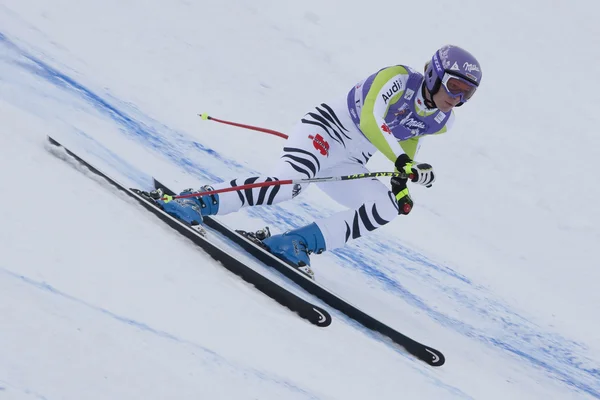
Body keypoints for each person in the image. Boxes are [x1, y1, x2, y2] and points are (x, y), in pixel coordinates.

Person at [154, 45, 482, 276]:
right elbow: (370, 118)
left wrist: (403, 179)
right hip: (323, 133)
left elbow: (409, 136)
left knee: (387, 207)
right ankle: (196, 201)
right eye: (454, 87)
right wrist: (400, 160)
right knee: (286, 188)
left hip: (351, 160)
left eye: (467, 94)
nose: (457, 98)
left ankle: (294, 242)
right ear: (435, 76)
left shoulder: (441, 121)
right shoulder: (397, 78)